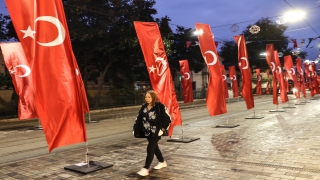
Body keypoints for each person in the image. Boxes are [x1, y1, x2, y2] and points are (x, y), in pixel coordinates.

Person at [133, 90, 171, 176]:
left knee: (150, 148)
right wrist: (136, 128)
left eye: (149, 97)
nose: (147, 99)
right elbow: (139, 118)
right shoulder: (144, 106)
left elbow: (167, 119)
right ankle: (162, 162)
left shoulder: (159, 106)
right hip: (147, 131)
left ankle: (146, 168)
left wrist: (163, 129)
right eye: (146, 97)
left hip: (156, 132)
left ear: (154, 97)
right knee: (155, 148)